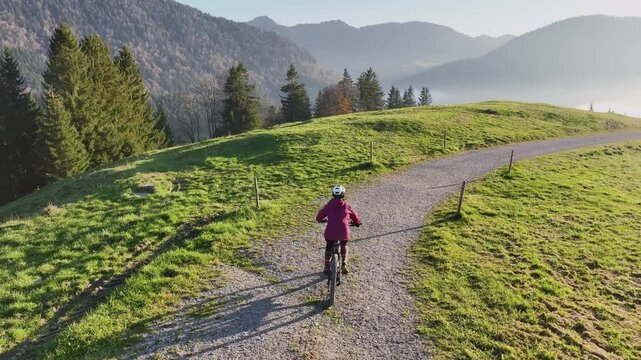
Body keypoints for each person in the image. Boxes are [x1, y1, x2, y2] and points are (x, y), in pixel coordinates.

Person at [316, 185, 362, 275]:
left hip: (330, 232)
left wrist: (320, 220)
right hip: (343, 232)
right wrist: (357, 223)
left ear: (333, 194)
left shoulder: (329, 205)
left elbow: (320, 215)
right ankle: (344, 263)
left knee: (329, 246)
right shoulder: (346, 206)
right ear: (343, 195)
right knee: (344, 244)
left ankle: (326, 266)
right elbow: (355, 216)